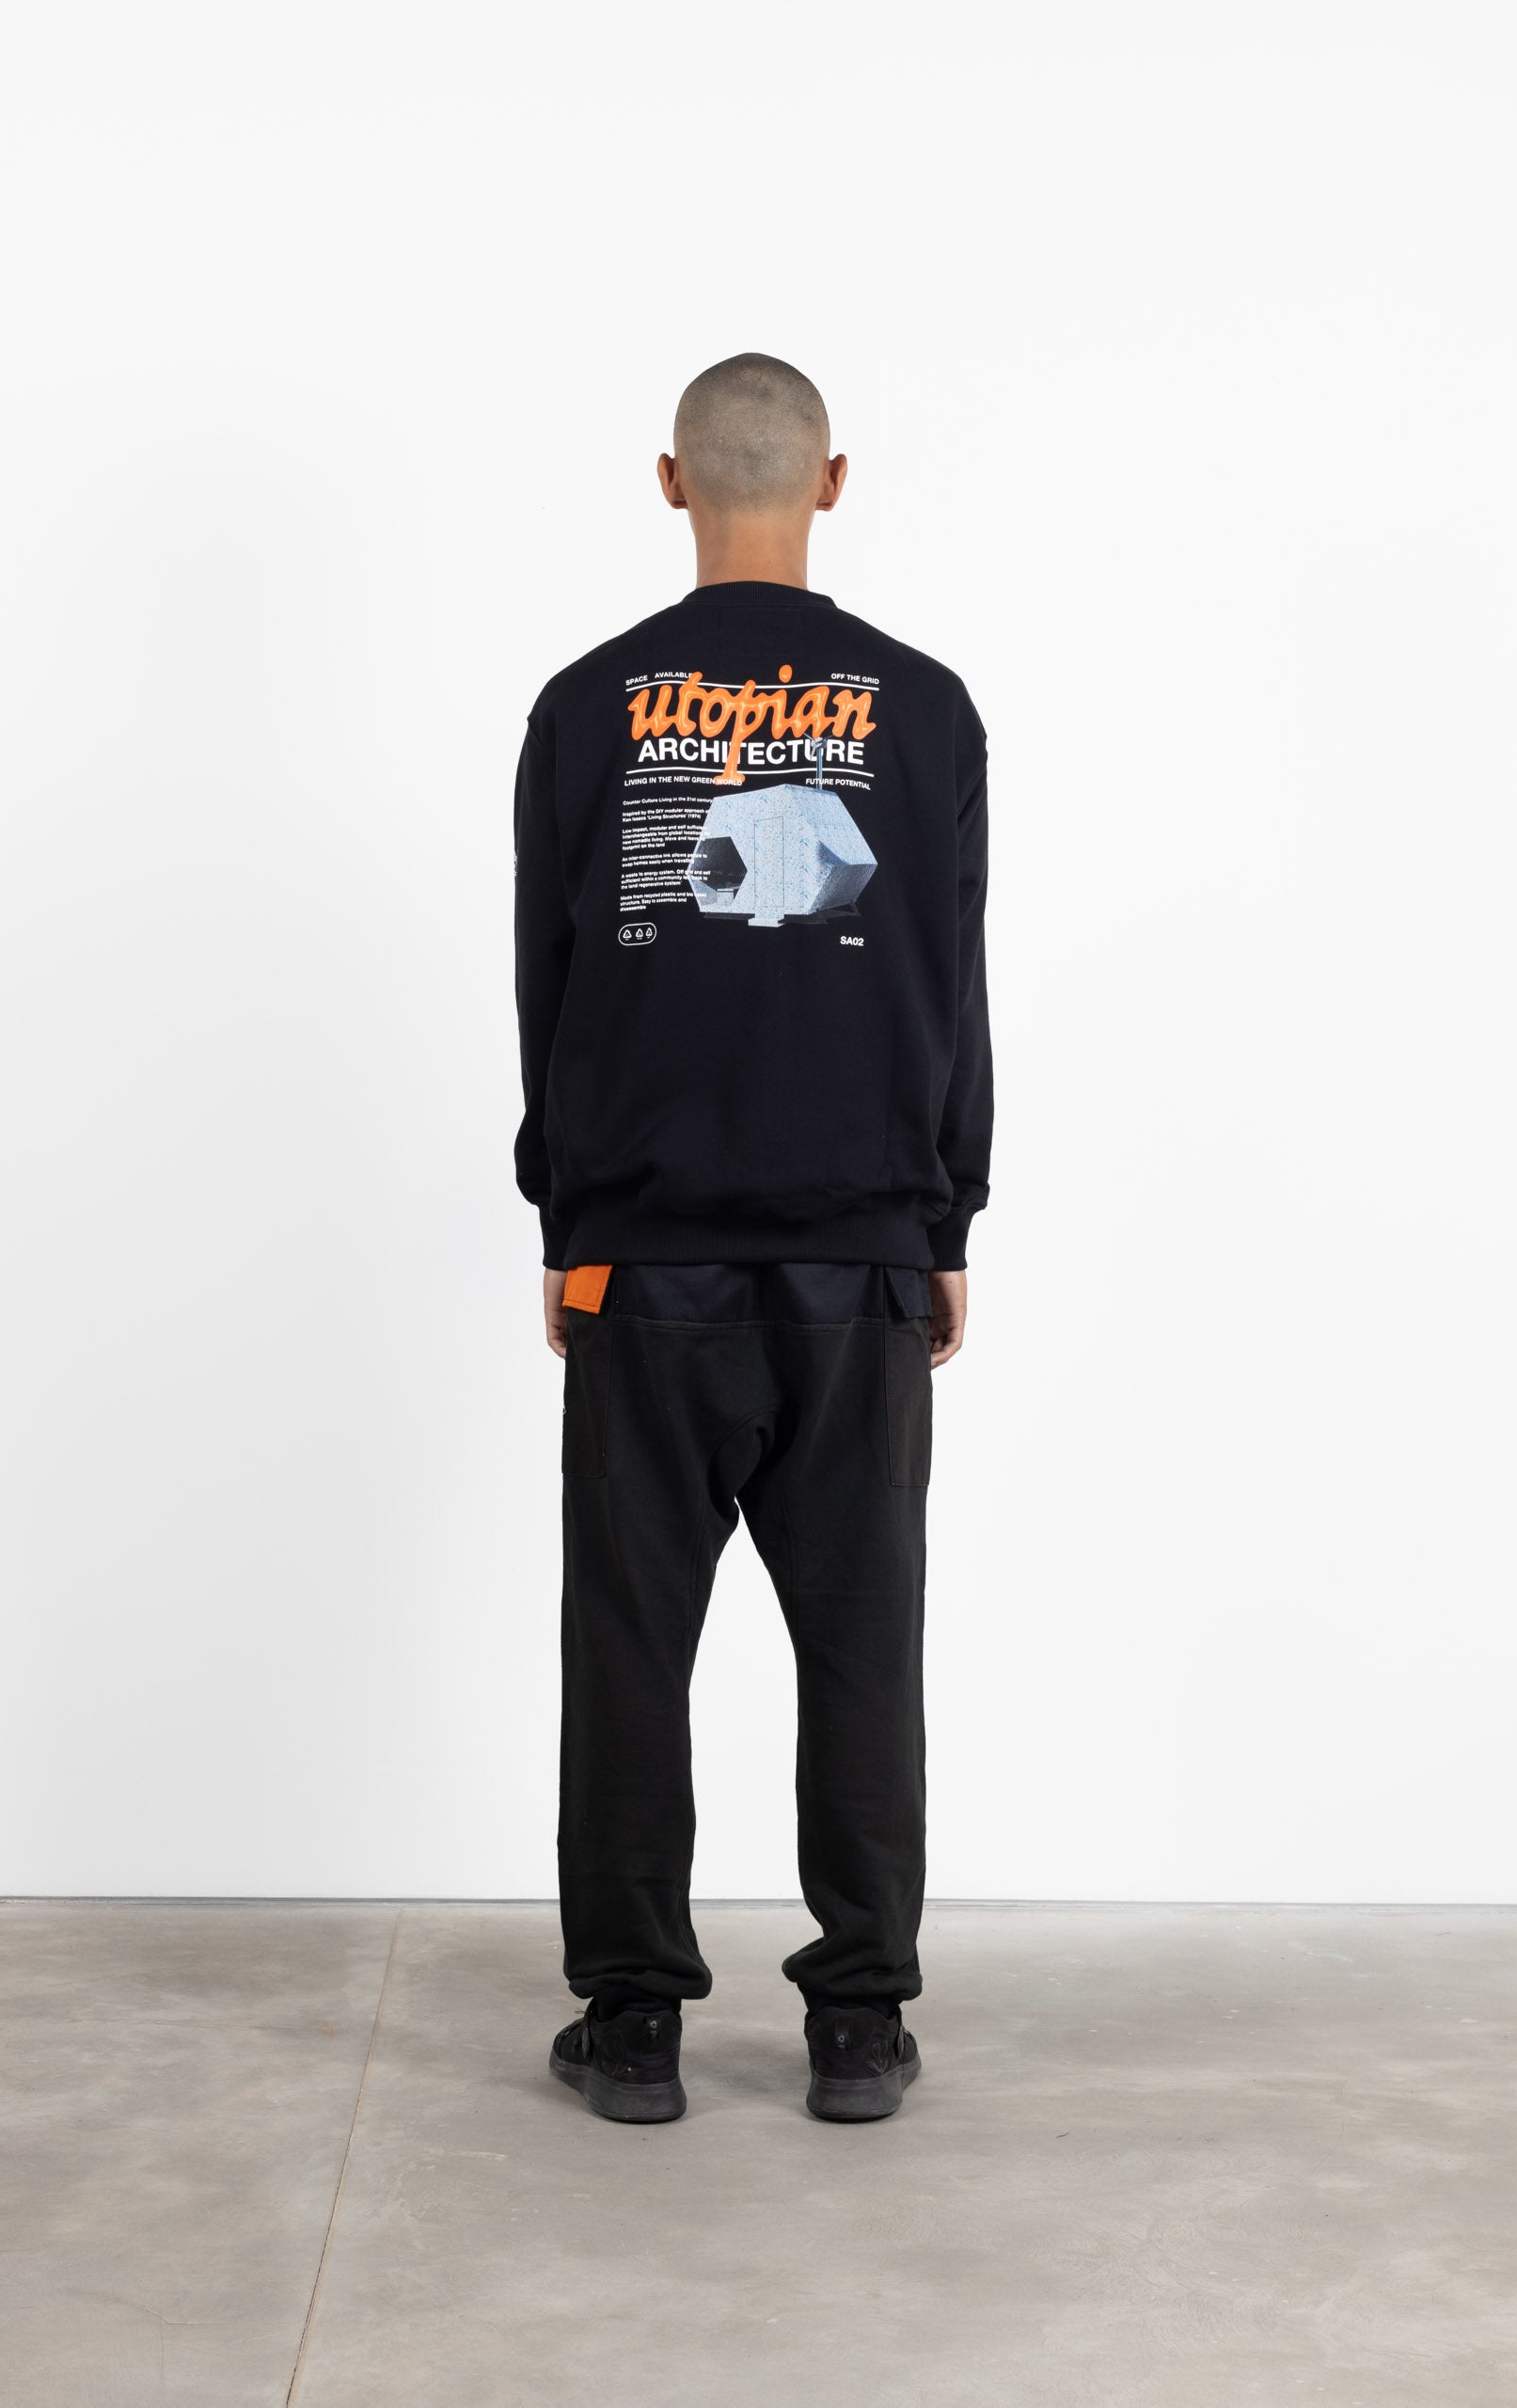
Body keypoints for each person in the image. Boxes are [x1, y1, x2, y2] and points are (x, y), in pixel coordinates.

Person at [512, 354, 992, 2124]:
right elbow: (950, 977)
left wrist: (567, 1220)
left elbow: (549, 982)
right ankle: (857, 2022)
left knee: (629, 1645)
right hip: (862, 1254)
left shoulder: (587, 707)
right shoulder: (924, 709)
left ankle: (634, 2022)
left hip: (643, 1257)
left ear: (671, 482)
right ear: (833, 481)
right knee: (865, 1645)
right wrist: (947, 1214)